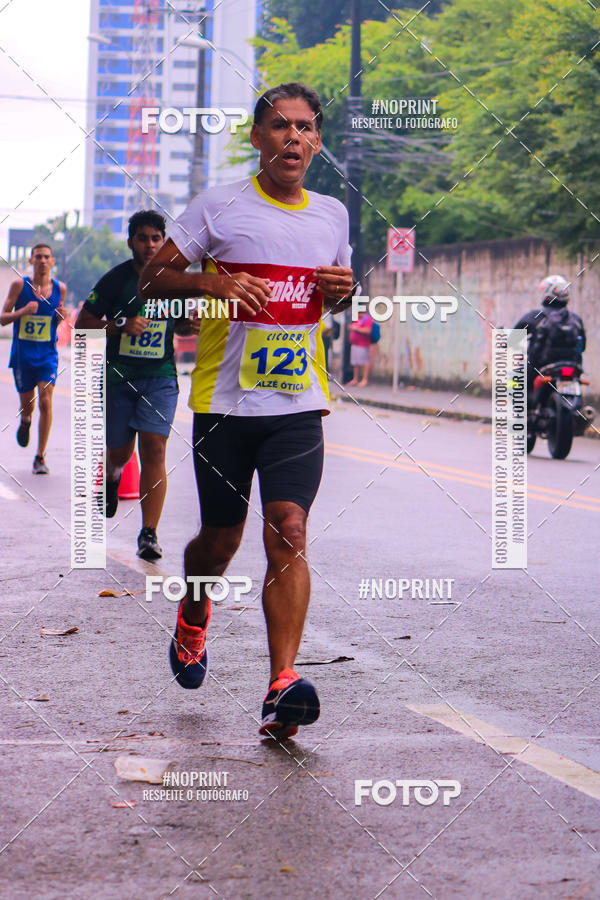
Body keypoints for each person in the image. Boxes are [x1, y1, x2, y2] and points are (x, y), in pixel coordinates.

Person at [140, 82, 354, 739]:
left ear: (317, 142)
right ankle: (194, 612)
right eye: (282, 126)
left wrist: (344, 291)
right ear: (258, 137)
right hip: (225, 405)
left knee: (289, 528)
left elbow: (333, 298)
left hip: (298, 404)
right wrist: (214, 280)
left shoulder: (332, 215)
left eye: (307, 128)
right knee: (221, 540)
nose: (295, 137)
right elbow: (152, 278)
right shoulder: (218, 206)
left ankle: (281, 683)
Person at [74, 210, 178, 561]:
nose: (149, 245)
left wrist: (190, 324)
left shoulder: (173, 279)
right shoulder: (114, 279)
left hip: (161, 377)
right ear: (130, 241)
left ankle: (149, 533)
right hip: (118, 378)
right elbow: (82, 325)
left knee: (154, 448)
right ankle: (113, 474)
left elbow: (181, 323)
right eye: (142, 238)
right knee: (120, 452)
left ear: (163, 241)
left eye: (156, 238)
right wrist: (119, 326)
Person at [1, 243, 66, 474]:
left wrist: (60, 317)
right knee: (27, 404)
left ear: (52, 261)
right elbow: (3, 318)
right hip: (23, 356)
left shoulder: (59, 288)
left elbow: (57, 317)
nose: (42, 261)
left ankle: (40, 457)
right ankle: (25, 419)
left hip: (47, 356)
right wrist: (22, 312)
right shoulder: (20, 286)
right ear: (31, 261)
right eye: (38, 257)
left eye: (46, 257)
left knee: (46, 401)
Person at [514, 275, 586, 395]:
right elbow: (582, 346)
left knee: (517, 382)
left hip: (540, 367)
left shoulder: (536, 317)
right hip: (573, 367)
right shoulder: (576, 319)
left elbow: (513, 339)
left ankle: (525, 406)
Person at [348, 311, 373, 386]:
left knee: (365, 362)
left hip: (362, 344)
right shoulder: (358, 319)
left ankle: (365, 379)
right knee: (355, 362)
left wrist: (356, 328)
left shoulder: (367, 319)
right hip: (355, 344)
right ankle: (355, 379)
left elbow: (368, 330)